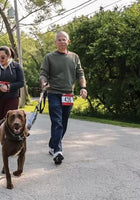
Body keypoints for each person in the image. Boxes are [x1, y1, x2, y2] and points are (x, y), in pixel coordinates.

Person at [39, 31, 87, 165]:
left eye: (64, 39)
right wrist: (44, 82)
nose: (61, 42)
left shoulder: (74, 57)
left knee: (64, 123)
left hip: (68, 95)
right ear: (55, 42)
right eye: (59, 40)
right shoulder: (49, 57)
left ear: (68, 41)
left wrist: (83, 88)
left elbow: (80, 74)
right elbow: (43, 74)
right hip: (54, 93)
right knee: (57, 121)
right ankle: (58, 151)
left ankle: (52, 145)